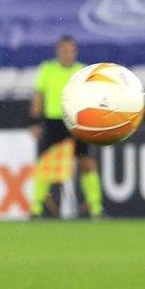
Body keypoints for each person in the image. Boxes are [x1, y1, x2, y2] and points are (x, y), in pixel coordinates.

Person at [29, 35, 102, 218]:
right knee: (45, 164)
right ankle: (36, 208)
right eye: (63, 50)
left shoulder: (82, 71)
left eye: (69, 51)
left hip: (77, 122)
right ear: (58, 52)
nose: (66, 54)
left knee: (87, 162)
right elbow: (39, 96)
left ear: (75, 52)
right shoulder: (47, 69)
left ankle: (96, 208)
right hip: (54, 122)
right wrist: (34, 122)